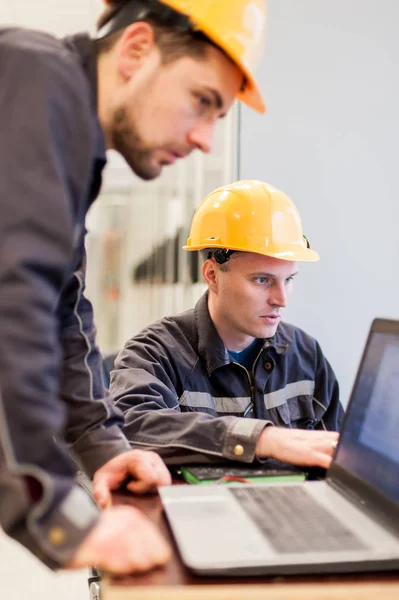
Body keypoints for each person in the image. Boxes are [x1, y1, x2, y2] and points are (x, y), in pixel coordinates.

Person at [0, 0, 267, 574]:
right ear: (136, 49)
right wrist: (55, 513)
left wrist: (103, 447)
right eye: (202, 102)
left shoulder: (71, 140)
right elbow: (10, 304)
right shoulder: (38, 80)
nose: (204, 139)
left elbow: (62, 311)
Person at [111, 180, 343, 469]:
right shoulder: (155, 353)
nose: (281, 300)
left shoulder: (305, 356)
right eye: (262, 280)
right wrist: (261, 439)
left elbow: (338, 457)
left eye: (289, 280)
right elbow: (130, 427)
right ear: (212, 275)